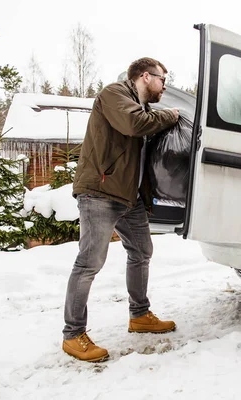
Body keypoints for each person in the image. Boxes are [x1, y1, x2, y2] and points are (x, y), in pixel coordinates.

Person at [62, 57, 179, 362]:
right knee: (90, 261)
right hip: (100, 192)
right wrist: (171, 116)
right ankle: (73, 334)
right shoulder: (115, 94)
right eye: (162, 80)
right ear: (145, 76)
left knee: (142, 250)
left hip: (129, 197)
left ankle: (139, 314)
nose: (164, 86)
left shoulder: (144, 108)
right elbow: (132, 124)